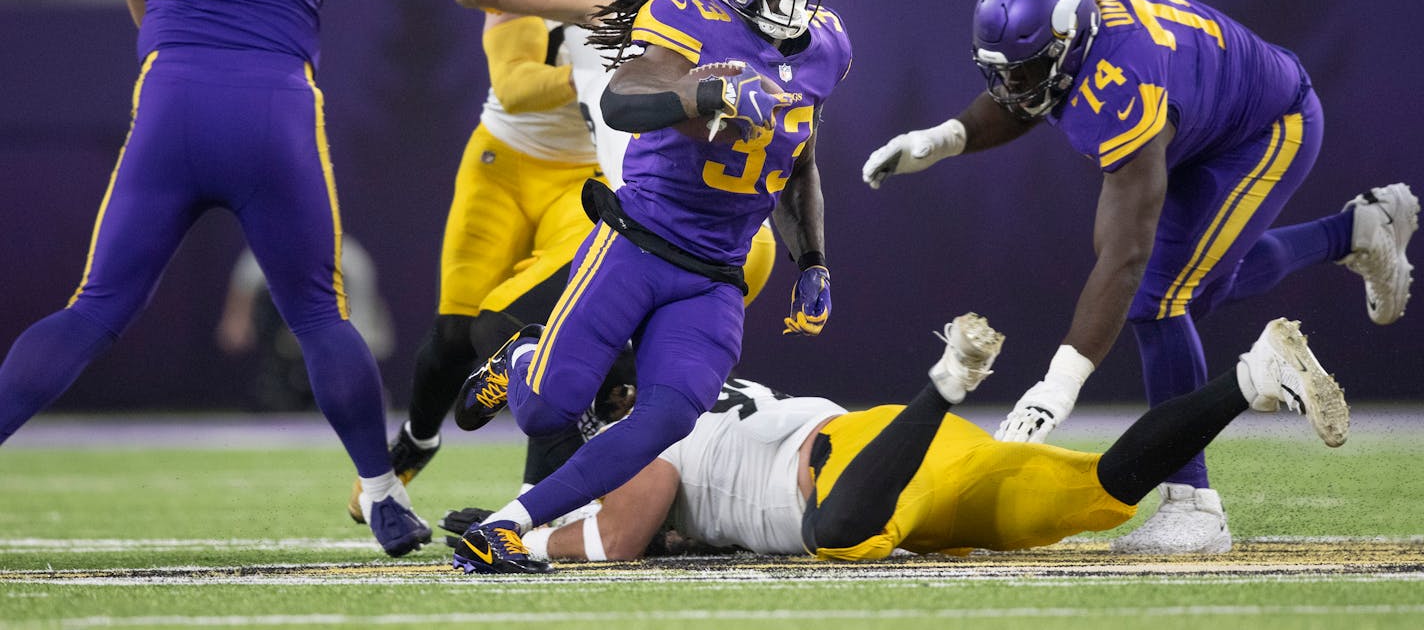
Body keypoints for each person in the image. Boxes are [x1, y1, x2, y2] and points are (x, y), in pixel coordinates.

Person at [0, 0, 447, 558]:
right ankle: (382, 497)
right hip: (268, 99)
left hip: (169, 98)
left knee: (94, 308)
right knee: (318, 316)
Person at [861, 0, 1416, 554]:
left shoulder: (1124, 80)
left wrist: (1057, 388)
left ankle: (1193, 506)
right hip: (1205, 120)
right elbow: (1024, 96)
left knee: (1157, 296)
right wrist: (943, 140)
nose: (1009, 88)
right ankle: (1358, 231)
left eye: (1024, 71)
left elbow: (1124, 258)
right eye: (1001, 71)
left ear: (1070, 44)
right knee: (1191, 285)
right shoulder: (1070, 30)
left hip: (1267, 128)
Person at [349, 0, 774, 524]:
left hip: (601, 178)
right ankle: (419, 443)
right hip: (508, 156)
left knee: (531, 331)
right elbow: (515, 82)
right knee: (454, 335)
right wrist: (597, 85)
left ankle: (541, 496)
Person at [447, 0, 851, 574]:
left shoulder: (827, 45)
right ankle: (517, 362)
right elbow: (626, 99)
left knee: (668, 416)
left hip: (716, 273)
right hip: (636, 243)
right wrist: (711, 89)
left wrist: (811, 259)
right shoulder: (684, 17)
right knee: (547, 411)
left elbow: (799, 158)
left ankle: (506, 527)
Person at [440, 313, 1348, 563]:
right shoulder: (692, 391)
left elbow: (621, 533)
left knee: (836, 537)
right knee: (1097, 492)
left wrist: (525, 530)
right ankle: (1249, 376)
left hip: (846, 470)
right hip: (890, 456)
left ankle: (946, 383)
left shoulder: (654, 422)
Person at [217, 237, 393, 412]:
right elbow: (235, 321)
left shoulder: (351, 259)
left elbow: (365, 327)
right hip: (283, 352)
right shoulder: (262, 254)